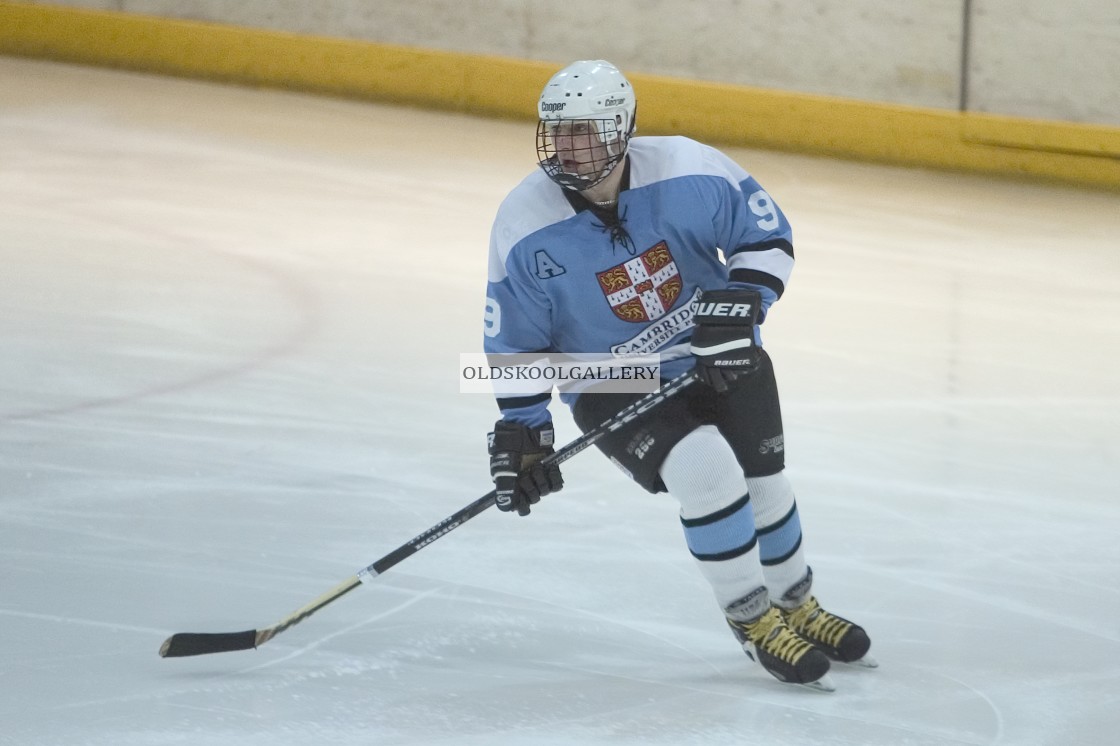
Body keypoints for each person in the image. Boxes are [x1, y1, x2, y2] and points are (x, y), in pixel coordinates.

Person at [482, 59, 874, 691]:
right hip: (612, 379)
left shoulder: (690, 168)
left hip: (719, 352)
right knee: (707, 473)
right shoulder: (523, 223)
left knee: (765, 481)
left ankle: (799, 605)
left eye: (589, 131)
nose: (571, 148)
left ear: (626, 128)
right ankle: (753, 619)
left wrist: (741, 302)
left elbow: (766, 235)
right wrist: (524, 429)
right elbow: (512, 342)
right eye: (560, 132)